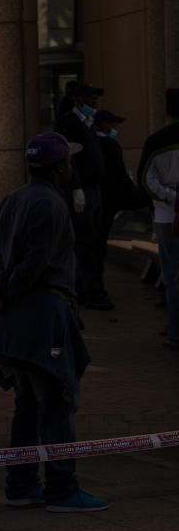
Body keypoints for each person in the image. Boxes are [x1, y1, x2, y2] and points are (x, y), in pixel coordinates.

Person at [0, 132, 108, 513]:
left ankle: (20, 485)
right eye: (69, 161)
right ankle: (61, 489)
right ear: (61, 166)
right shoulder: (52, 204)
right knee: (56, 401)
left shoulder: (13, 200)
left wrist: (0, 290)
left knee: (27, 405)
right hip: (43, 312)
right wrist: (8, 291)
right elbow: (35, 264)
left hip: (16, 319)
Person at [55, 84, 110, 310]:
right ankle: (91, 292)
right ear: (78, 100)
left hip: (93, 190)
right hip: (82, 191)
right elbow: (69, 157)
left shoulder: (85, 124)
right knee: (87, 244)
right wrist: (75, 186)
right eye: (90, 100)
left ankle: (83, 289)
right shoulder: (69, 122)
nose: (94, 105)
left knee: (93, 243)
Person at [139, 89, 179, 350]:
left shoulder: (155, 140)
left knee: (172, 272)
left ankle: (175, 330)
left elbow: (145, 179)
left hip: (167, 215)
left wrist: (170, 197)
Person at [94, 110, 146, 296]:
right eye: (111, 124)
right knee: (98, 244)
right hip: (112, 197)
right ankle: (95, 288)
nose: (114, 128)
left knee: (96, 242)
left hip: (101, 198)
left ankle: (93, 285)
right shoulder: (109, 144)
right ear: (100, 124)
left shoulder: (93, 143)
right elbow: (118, 173)